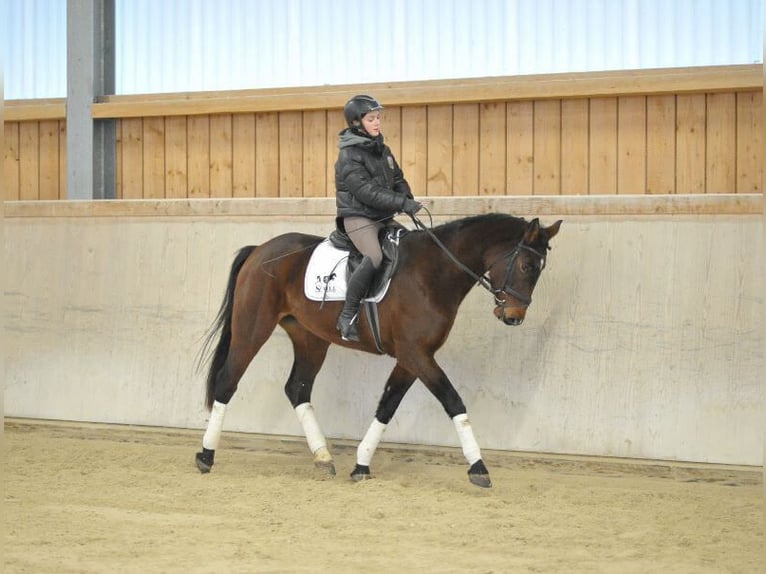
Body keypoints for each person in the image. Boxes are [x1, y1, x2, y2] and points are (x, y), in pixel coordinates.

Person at [334, 94, 422, 342]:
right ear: (356, 123)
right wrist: (401, 203)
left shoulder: (384, 151)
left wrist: (406, 196)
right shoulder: (349, 156)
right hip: (358, 217)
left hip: (383, 216)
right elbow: (366, 193)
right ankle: (347, 315)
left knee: (410, 247)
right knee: (374, 256)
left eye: (378, 118)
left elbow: (397, 179)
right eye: (371, 119)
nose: (377, 123)